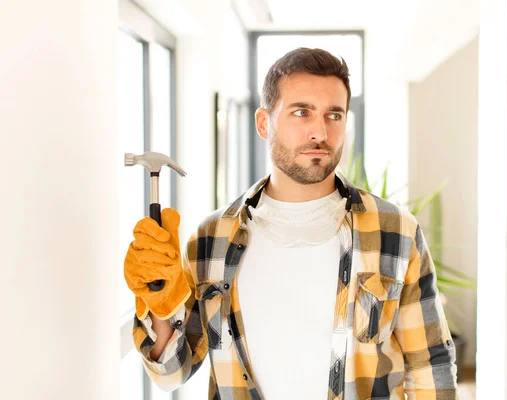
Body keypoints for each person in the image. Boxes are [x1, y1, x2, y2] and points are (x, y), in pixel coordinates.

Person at [124, 47, 458, 400]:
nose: (319, 132)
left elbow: (430, 367)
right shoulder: (210, 240)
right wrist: (159, 302)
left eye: (334, 115)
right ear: (264, 122)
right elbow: (171, 373)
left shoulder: (396, 232)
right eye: (302, 112)